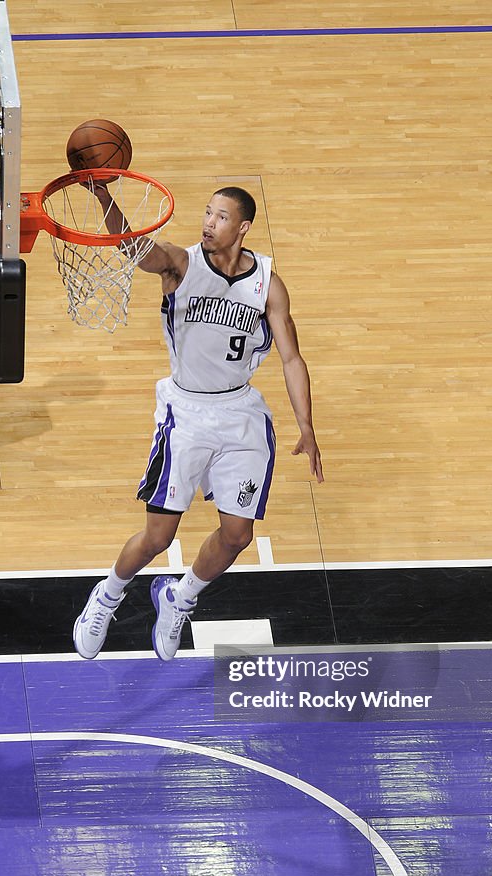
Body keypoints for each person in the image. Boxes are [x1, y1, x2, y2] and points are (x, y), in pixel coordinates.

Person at [73, 185, 323, 661]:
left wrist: (306, 426)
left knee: (237, 535)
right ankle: (105, 598)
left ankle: (178, 597)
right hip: (185, 414)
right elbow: (133, 247)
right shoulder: (180, 264)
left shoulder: (267, 283)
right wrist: (103, 194)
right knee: (158, 537)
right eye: (207, 213)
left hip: (240, 414)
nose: (208, 223)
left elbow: (291, 358)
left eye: (221, 216)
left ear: (243, 227)